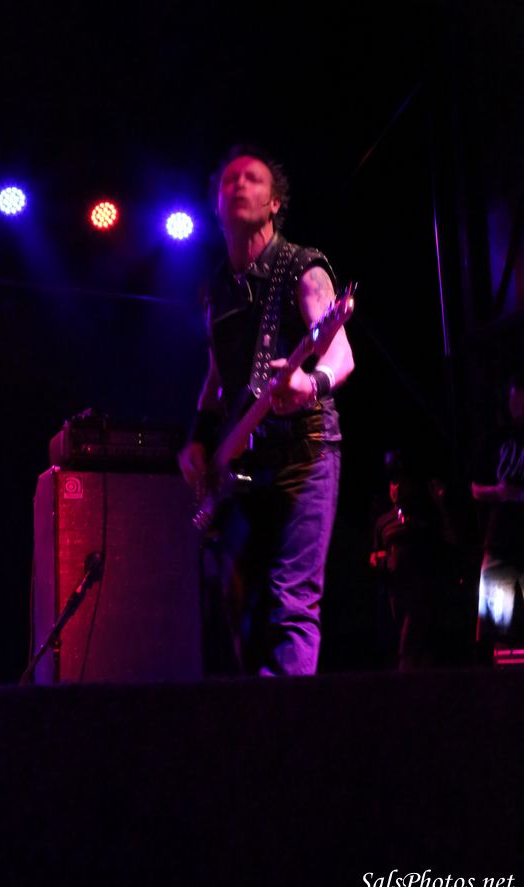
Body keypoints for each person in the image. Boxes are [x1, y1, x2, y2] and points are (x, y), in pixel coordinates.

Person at [178, 145, 354, 676]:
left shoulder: (302, 266)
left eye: (252, 179)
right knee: (241, 608)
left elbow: (341, 354)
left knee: (291, 601)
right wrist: (198, 439)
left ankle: (288, 721)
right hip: (244, 464)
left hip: (304, 452)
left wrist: (310, 382)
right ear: (215, 206)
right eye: (228, 180)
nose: (238, 185)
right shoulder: (215, 290)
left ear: (275, 203)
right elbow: (215, 379)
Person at [369, 453, 462, 670]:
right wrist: (379, 560)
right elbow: (375, 555)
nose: (397, 489)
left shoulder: (425, 517)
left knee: (410, 646)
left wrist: (440, 505)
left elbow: (449, 542)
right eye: (393, 483)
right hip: (394, 594)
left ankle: (405, 683)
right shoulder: (384, 521)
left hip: (421, 593)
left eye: (402, 483)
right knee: (411, 651)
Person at [472, 371, 524, 653]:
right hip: (500, 542)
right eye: (514, 400)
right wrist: (501, 492)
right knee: (498, 625)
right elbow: (475, 488)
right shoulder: (497, 439)